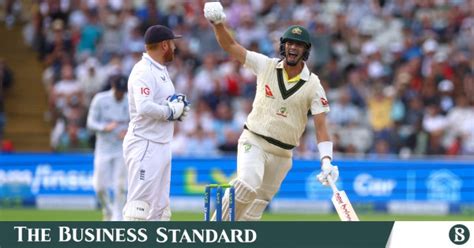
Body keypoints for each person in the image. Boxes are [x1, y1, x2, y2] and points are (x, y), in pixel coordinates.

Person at [204, 2, 339, 221]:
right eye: (290, 44)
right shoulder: (265, 65)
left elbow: (321, 125)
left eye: (299, 45)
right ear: (283, 46)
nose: (293, 48)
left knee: (254, 210)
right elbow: (231, 47)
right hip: (254, 140)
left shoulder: (313, 84)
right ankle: (212, 231)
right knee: (247, 184)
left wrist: (326, 160)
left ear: (305, 50)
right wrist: (218, 23)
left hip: (283, 154)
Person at [122, 25, 189, 221]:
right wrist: (169, 112)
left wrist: (176, 109)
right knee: (138, 208)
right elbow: (144, 106)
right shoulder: (143, 70)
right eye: (173, 44)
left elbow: (159, 103)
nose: (175, 48)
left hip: (161, 143)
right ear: (164, 45)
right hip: (145, 143)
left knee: (160, 210)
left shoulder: (160, 69)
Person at [86, 75, 129, 221]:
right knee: (99, 187)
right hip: (103, 149)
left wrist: (129, 131)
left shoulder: (130, 101)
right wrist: (104, 127)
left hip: (121, 149)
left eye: (123, 91)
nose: (120, 94)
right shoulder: (100, 99)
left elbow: (138, 123)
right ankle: (108, 209)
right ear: (113, 87)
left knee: (120, 185)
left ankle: (118, 217)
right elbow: (90, 123)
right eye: (119, 91)